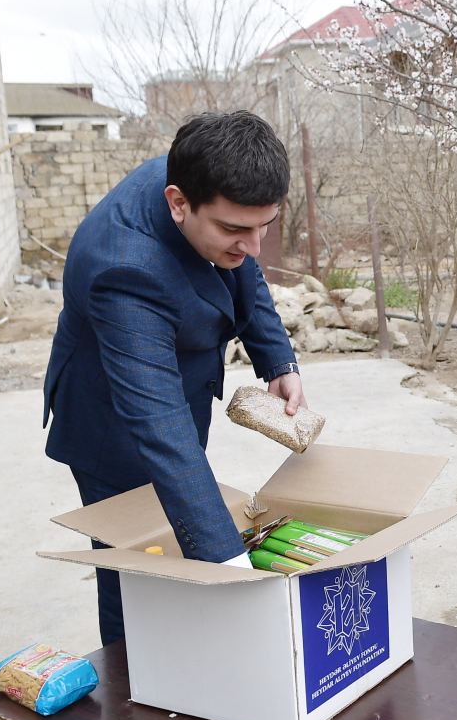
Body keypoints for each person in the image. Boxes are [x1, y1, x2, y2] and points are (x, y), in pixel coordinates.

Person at [44, 110, 306, 650]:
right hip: (114, 425)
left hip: (177, 387)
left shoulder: (207, 179)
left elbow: (243, 267)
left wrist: (277, 360)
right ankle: (129, 680)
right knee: (135, 570)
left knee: (186, 529)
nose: (255, 245)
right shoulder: (123, 270)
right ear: (178, 202)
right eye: (235, 230)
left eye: (265, 225)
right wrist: (234, 570)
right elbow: (160, 427)